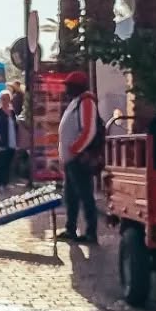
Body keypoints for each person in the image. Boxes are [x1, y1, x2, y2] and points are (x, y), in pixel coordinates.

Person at [58, 70, 102, 244]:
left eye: (69, 86)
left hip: (79, 159)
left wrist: (75, 149)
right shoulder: (76, 102)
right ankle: (71, 229)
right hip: (71, 160)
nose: (67, 89)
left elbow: (89, 130)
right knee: (71, 197)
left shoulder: (86, 101)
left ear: (78, 87)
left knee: (85, 196)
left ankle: (91, 233)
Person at [0, 89, 19, 192]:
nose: (5, 101)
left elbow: (15, 126)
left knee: (8, 164)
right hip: (1, 143)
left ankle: (5, 183)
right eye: (3, 99)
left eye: (7, 99)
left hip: (11, 142)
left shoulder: (12, 112)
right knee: (0, 164)